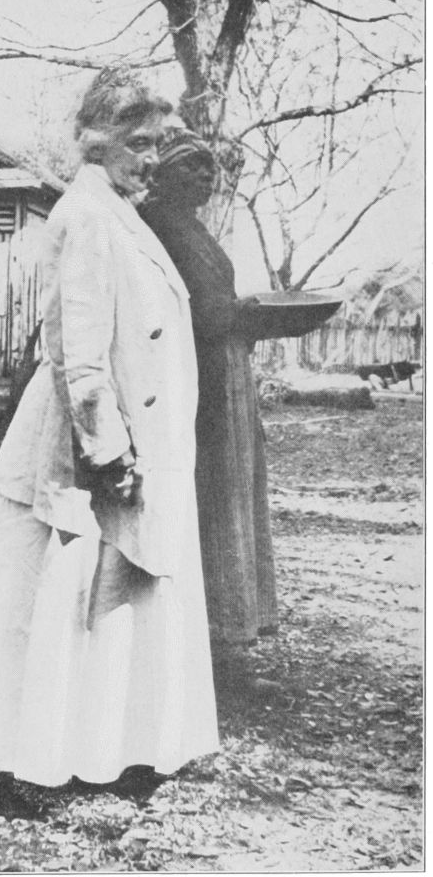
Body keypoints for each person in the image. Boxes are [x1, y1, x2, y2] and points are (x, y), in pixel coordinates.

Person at [0, 70, 219, 788]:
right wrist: (109, 451)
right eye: (139, 143)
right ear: (98, 143)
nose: (153, 159)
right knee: (54, 601)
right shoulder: (86, 215)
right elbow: (78, 352)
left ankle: (113, 752)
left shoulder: (121, 213)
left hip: (138, 441)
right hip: (82, 447)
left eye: (158, 143)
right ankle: (11, 764)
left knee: (118, 600)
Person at [140, 127, 278, 686]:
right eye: (189, 166)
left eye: (208, 168)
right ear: (161, 172)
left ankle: (222, 644)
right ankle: (202, 651)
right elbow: (180, 310)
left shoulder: (194, 228)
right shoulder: (155, 225)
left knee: (230, 495)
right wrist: (241, 313)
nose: (204, 176)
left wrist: (247, 319)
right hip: (194, 377)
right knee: (208, 499)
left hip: (225, 370)